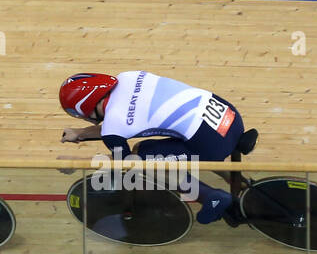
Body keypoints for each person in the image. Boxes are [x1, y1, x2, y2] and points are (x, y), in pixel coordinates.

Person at [58, 71, 258, 224]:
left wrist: (76, 163)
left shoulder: (113, 126)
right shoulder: (128, 77)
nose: (84, 119)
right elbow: (127, 121)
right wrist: (81, 134)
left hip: (213, 143)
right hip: (230, 118)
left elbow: (125, 163)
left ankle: (211, 197)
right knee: (150, 148)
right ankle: (235, 178)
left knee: (143, 161)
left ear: (85, 107)